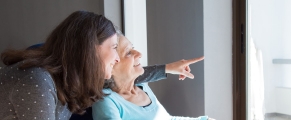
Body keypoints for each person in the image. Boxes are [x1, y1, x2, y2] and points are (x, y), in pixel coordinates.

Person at [0, 10, 205, 120]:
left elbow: (124, 77)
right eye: (115, 47)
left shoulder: (75, 82)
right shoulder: (38, 83)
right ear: (90, 50)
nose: (116, 58)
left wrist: (168, 68)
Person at [92, 31, 212, 120]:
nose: (139, 54)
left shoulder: (142, 86)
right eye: (128, 53)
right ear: (110, 65)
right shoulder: (106, 101)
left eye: (132, 48)